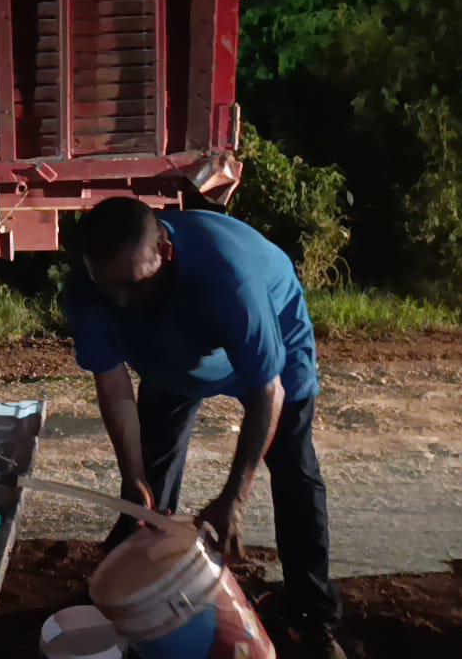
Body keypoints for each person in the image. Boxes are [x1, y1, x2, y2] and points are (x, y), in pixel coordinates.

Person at [62, 197, 345, 659]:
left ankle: (312, 616)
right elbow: (114, 387)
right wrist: (131, 476)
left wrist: (234, 496)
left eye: (132, 287)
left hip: (271, 346)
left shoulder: (227, 277)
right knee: (146, 492)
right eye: (107, 287)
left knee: (294, 470)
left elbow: (266, 392)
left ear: (166, 255)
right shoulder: (90, 290)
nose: (119, 303)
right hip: (175, 355)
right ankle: (140, 598)